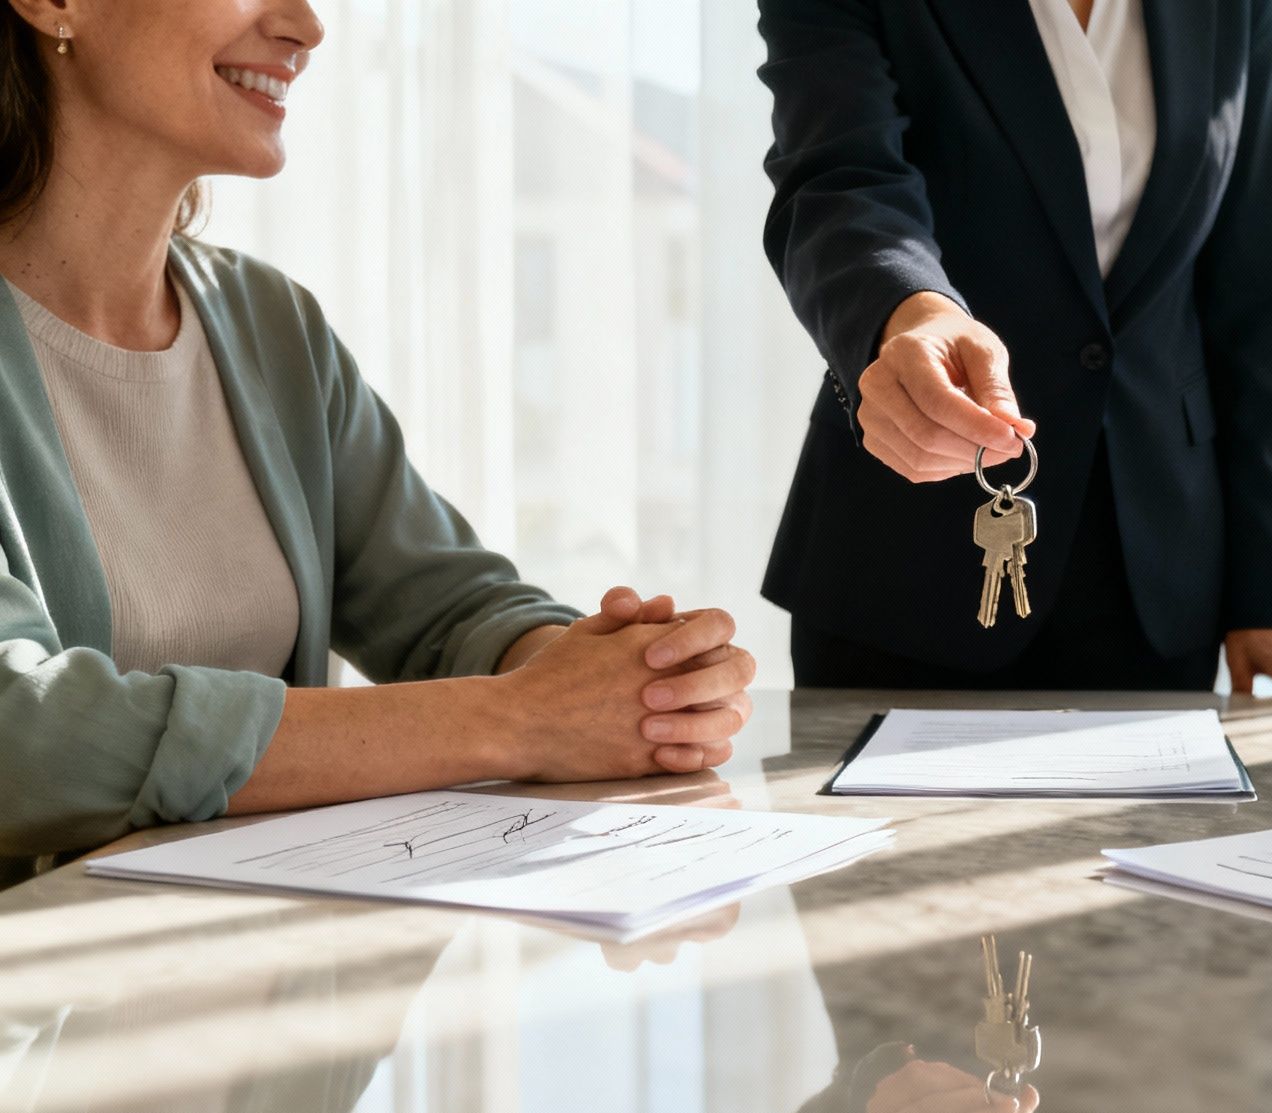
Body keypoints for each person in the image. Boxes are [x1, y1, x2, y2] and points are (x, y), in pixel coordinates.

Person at [0, 0, 755, 888]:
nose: (305, 26)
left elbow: (444, 607)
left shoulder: (269, 324)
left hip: (263, 985)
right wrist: (514, 721)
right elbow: (26, 735)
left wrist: (622, 681)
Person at [755, 0, 1272, 699]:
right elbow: (839, 178)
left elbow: (1252, 295)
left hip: (1160, 574)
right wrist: (910, 311)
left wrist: (1265, 601)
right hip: (904, 562)